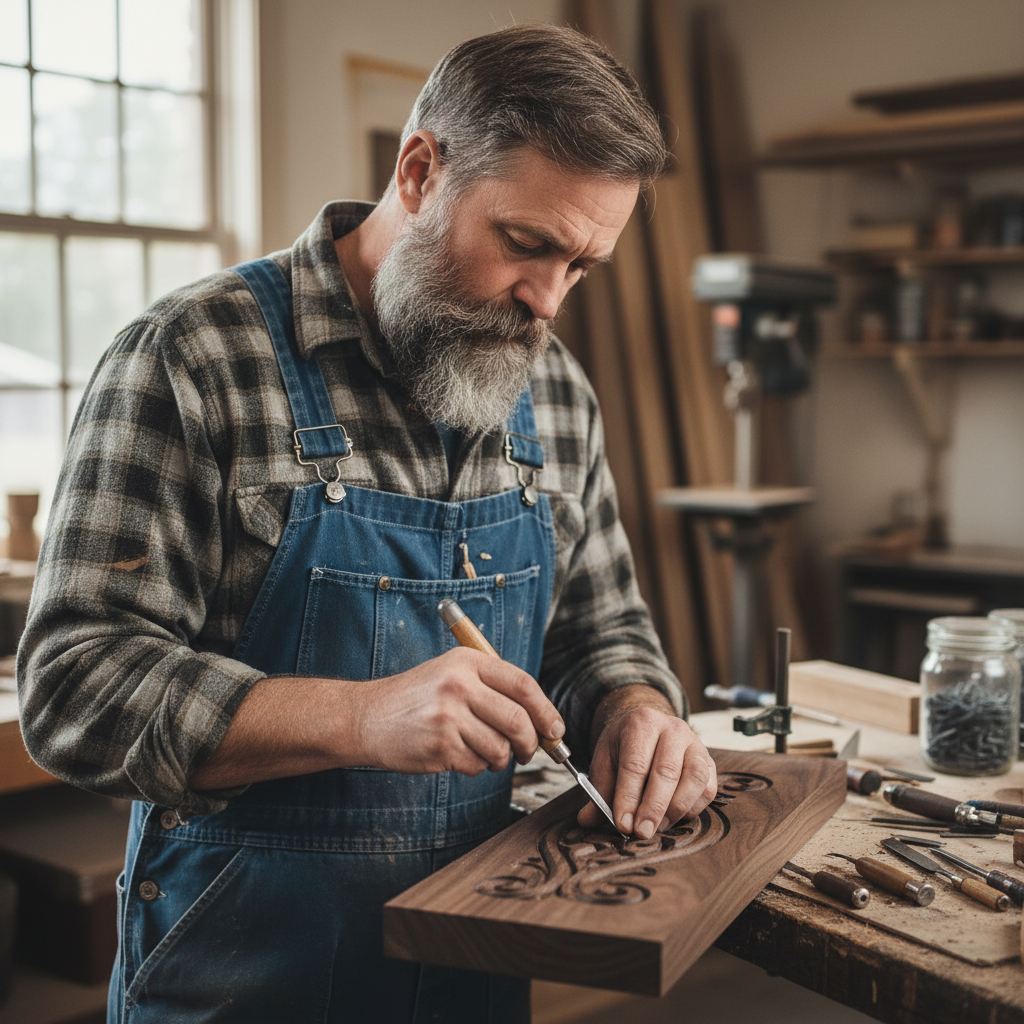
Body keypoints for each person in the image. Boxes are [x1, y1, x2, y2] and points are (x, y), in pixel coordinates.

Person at [17, 24, 717, 1024]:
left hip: (473, 975)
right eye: (526, 244)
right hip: (239, 981)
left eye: (581, 266)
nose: (547, 301)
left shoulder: (554, 390)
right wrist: (360, 718)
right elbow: (72, 690)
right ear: (420, 171)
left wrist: (636, 709)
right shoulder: (191, 357)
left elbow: (601, 631)